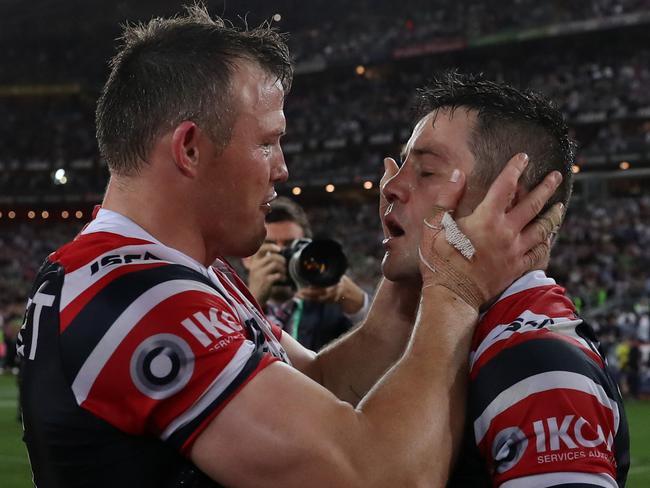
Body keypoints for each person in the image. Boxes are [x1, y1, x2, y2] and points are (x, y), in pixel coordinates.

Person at [16, 6, 563, 487]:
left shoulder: (184, 275)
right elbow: (381, 477)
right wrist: (457, 291)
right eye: (268, 142)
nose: (284, 168)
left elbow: (322, 387)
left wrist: (404, 281)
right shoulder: (135, 298)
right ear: (189, 148)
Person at [376, 72, 629, 487]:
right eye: (401, 166)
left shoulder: (537, 363)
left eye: (425, 172)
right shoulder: (469, 334)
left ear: (507, 199)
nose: (390, 186)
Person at [243, 196, 368, 351]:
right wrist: (251, 303)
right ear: (247, 257)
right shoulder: (224, 307)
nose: (282, 256)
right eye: (269, 247)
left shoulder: (332, 307)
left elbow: (381, 348)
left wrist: (358, 304)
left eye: (291, 246)